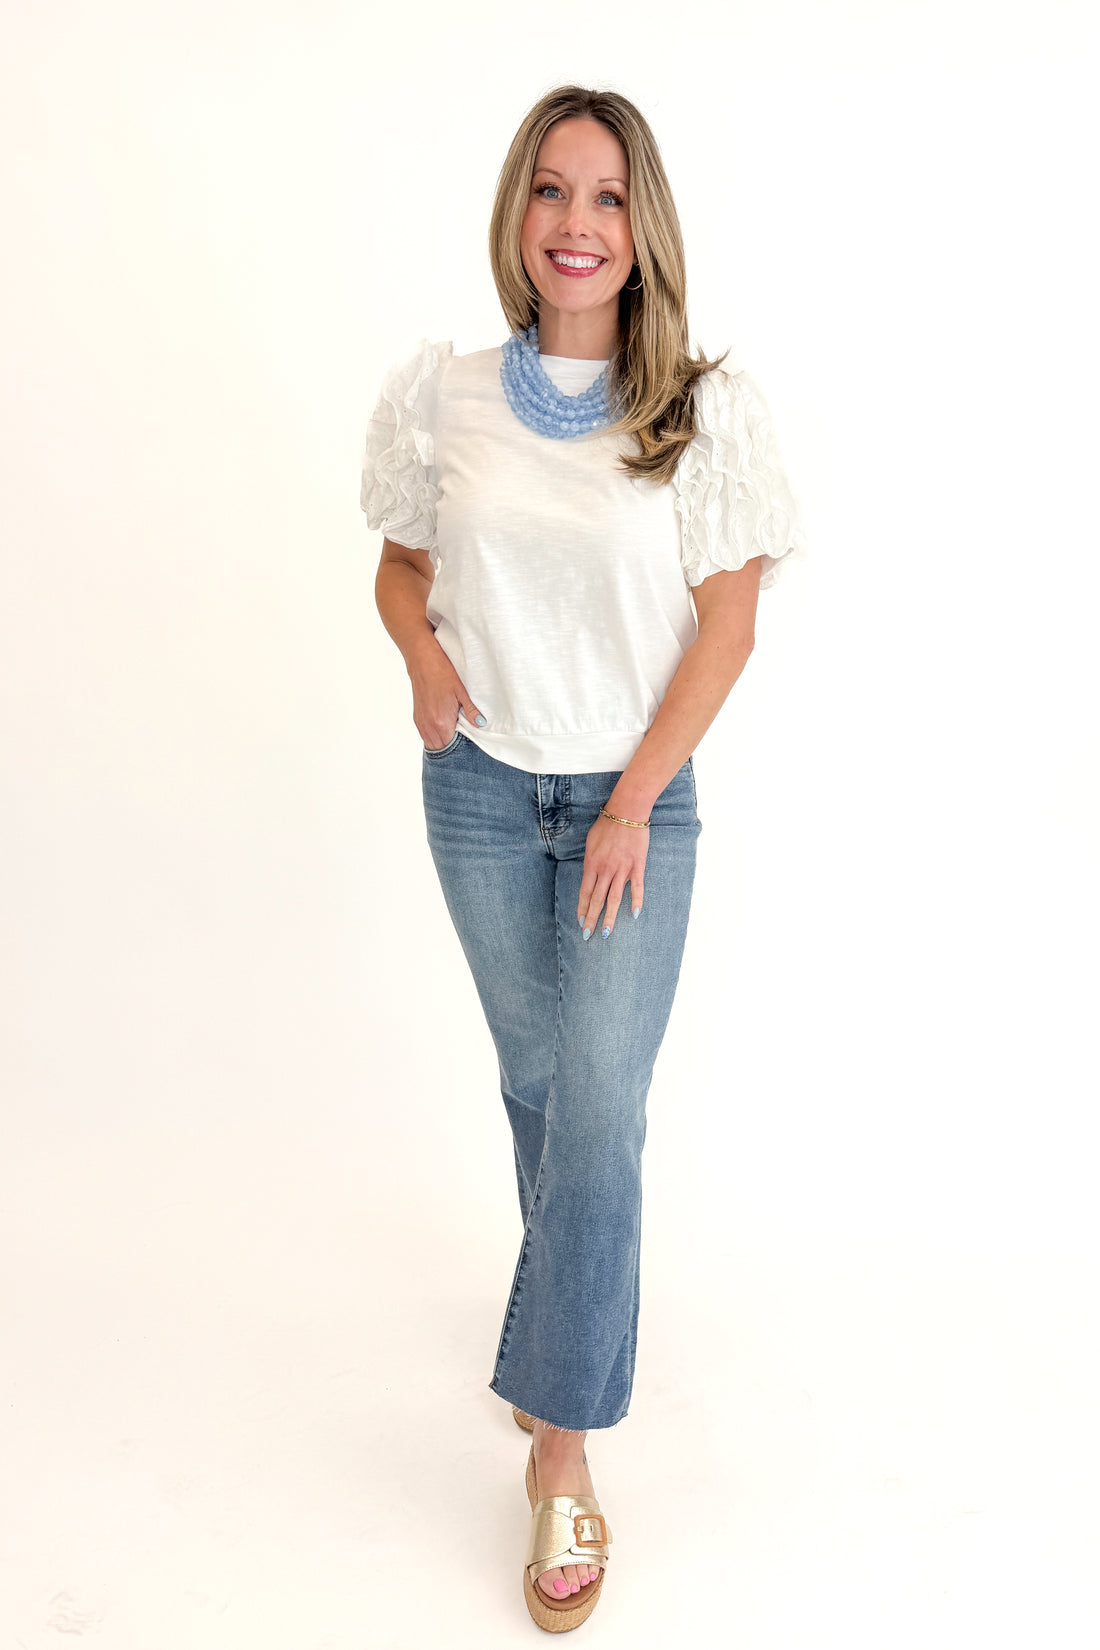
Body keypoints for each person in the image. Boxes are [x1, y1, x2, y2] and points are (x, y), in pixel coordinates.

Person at [361, 84, 807, 1632]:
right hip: (481, 795)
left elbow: (728, 626)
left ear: (642, 226)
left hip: (634, 803)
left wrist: (631, 799)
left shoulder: (699, 411)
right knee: (542, 1087)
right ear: (518, 213)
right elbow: (401, 566)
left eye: (608, 196)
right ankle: (563, 1334)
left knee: (601, 1110)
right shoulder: (447, 396)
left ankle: (561, 1442)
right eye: (552, 189)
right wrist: (422, 655)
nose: (576, 222)